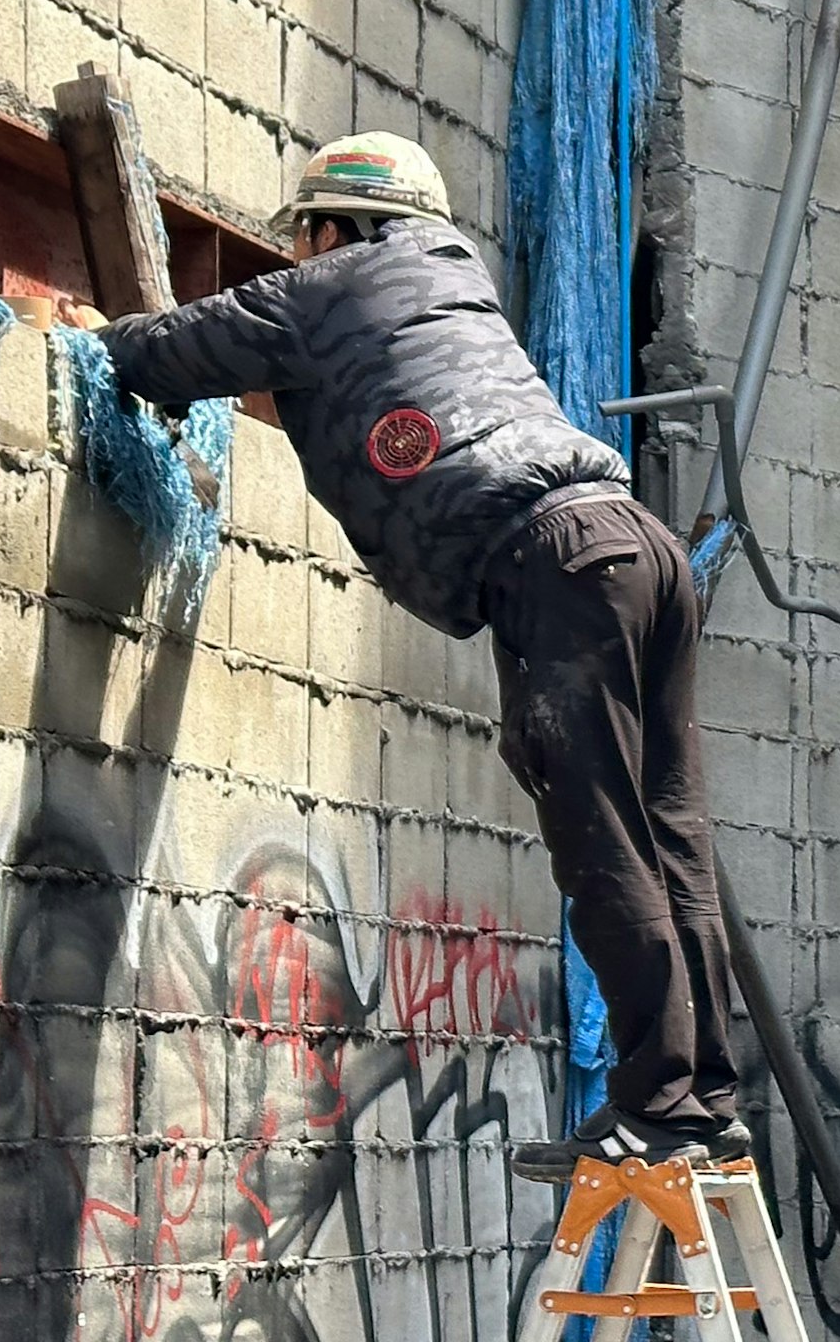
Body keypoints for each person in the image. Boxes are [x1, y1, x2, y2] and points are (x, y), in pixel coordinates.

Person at [95, 130, 746, 1165]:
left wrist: (100, 344)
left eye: (304, 237)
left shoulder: (334, 286)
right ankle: (700, 1097)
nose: (300, 255)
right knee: (673, 842)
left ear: (331, 228)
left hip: (557, 565)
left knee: (603, 843)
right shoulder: (454, 287)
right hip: (636, 549)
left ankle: (660, 1106)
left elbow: (172, 347)